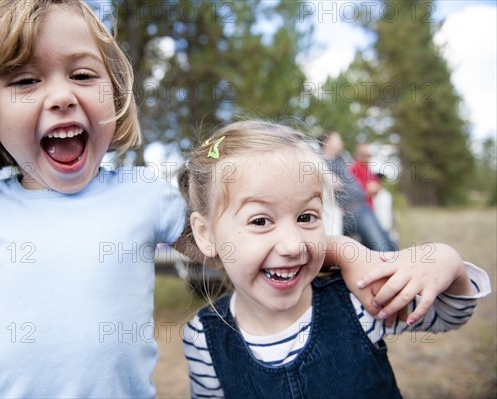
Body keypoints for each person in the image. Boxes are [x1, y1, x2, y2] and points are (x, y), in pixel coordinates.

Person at [0, 1, 393, 397]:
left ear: (113, 97)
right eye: (25, 80)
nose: (62, 96)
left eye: (83, 75)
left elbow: (247, 243)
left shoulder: (143, 196)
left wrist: (348, 252)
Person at [177, 120, 490, 399]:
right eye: (260, 221)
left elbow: (452, 316)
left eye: (306, 216)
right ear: (206, 234)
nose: (292, 244)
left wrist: (448, 261)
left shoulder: (358, 301)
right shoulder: (203, 339)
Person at [320, 131, 398, 251]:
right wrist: (326, 176)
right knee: (383, 248)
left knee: (388, 241)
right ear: (327, 141)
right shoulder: (320, 162)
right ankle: (391, 264)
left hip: (362, 206)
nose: (341, 142)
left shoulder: (339, 159)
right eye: (338, 139)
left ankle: (394, 259)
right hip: (352, 210)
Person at [350, 142, 381, 209]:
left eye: (368, 155)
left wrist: (375, 188)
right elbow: (352, 195)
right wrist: (368, 192)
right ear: (356, 154)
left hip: (369, 207)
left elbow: (377, 186)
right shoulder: (353, 168)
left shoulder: (369, 170)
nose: (366, 158)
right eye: (363, 155)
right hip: (359, 209)